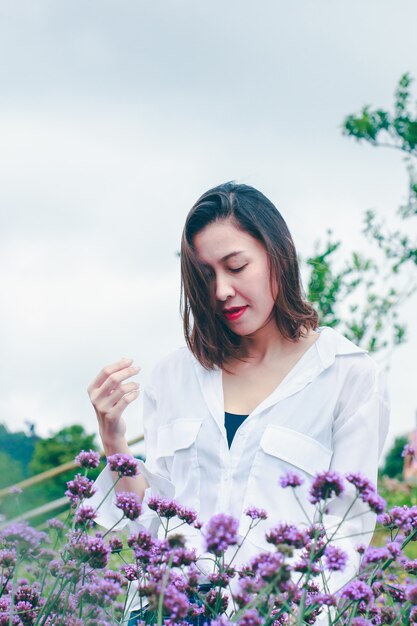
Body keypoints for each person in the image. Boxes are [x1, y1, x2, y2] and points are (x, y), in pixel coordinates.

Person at [87, 181, 390, 625]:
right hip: (164, 609)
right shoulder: (174, 375)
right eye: (207, 275)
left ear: (277, 254)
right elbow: (150, 524)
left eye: (236, 266)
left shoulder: (348, 374)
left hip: (276, 614)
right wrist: (113, 440)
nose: (222, 290)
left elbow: (349, 530)